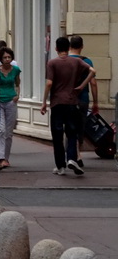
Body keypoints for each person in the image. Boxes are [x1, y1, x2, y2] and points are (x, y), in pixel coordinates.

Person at [41, 36, 94, 176]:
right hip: (72, 102)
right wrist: (82, 86)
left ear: (56, 49)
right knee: (72, 133)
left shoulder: (52, 63)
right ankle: (71, 158)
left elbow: (49, 83)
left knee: (57, 136)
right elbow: (92, 71)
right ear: (68, 47)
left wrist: (44, 102)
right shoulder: (76, 61)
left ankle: (60, 166)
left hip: (57, 103)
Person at [69, 34, 99, 165]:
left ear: (70, 46)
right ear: (82, 46)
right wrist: (96, 102)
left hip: (67, 99)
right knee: (80, 127)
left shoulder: (64, 60)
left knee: (69, 127)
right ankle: (78, 154)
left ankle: (73, 155)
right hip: (83, 98)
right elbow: (93, 83)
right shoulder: (87, 62)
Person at [0, 47, 21, 169]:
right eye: (5, 57)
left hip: (11, 101)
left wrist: (17, 95)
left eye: (9, 57)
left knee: (9, 132)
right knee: (1, 130)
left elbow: (17, 83)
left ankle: (5, 158)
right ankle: (0, 157)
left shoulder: (15, 70)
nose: (7, 59)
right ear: (1, 59)